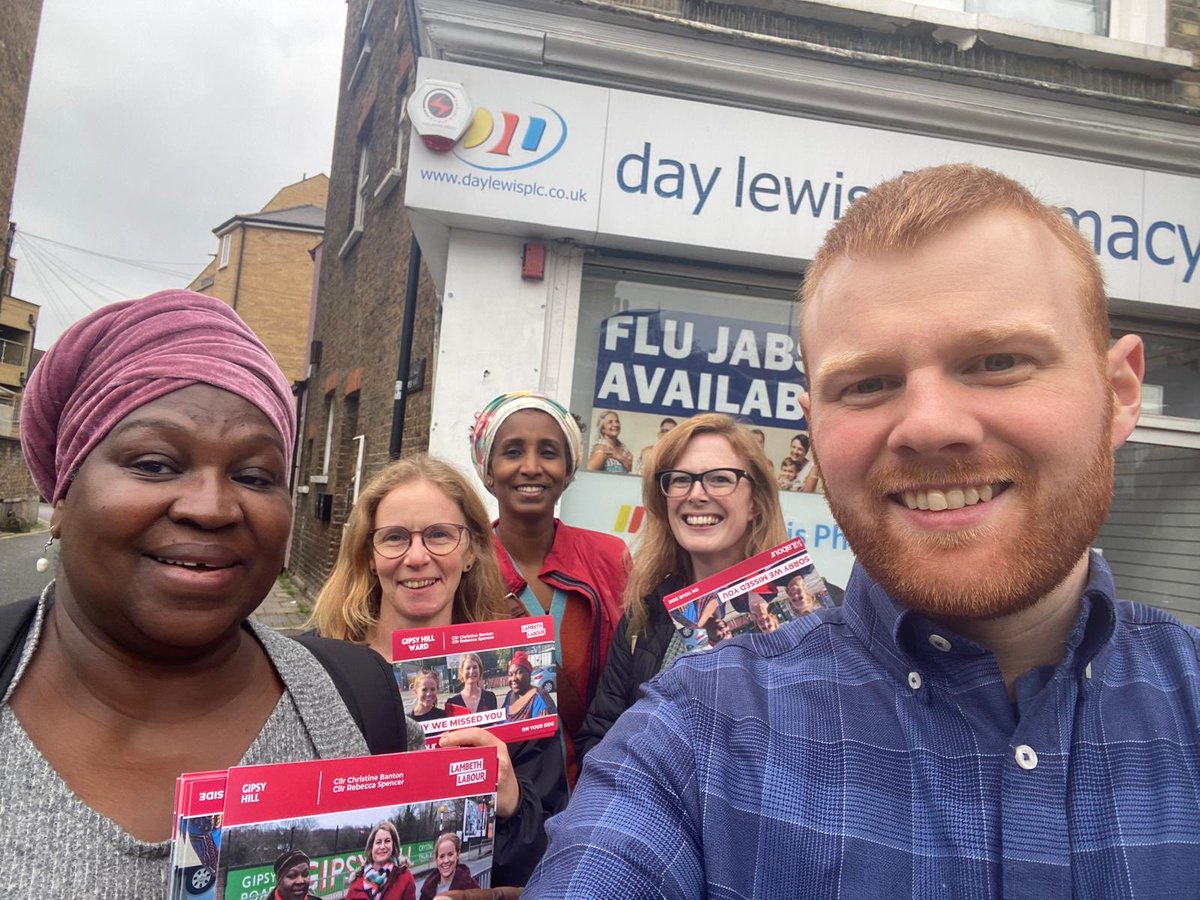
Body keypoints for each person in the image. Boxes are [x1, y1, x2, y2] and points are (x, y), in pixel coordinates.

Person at [524, 164, 1200, 898]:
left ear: (1120, 392)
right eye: (869, 383)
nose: (931, 425)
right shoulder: (692, 738)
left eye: (998, 361)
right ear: (814, 428)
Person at [0, 291, 409, 896]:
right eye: (156, 464)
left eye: (253, 476)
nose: (212, 508)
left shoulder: (359, 702)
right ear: (61, 494)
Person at [310, 454, 566, 887]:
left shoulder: (520, 675)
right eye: (393, 538)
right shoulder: (314, 667)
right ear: (369, 556)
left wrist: (513, 801)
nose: (416, 557)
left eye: (439, 536)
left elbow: (551, 851)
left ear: (470, 552)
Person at [574, 412, 786, 763]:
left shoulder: (813, 616)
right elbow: (598, 740)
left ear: (755, 504)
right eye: (680, 480)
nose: (697, 494)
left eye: (720, 479)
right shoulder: (643, 613)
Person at [469, 391, 630, 784]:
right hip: (502, 798)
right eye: (512, 452)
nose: (531, 467)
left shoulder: (610, 558)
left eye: (548, 452)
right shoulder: (465, 566)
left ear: (569, 470)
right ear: (488, 470)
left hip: (597, 790)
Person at [346, 822, 417, 900]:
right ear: (371, 847)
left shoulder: (405, 878)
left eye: (387, 841)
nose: (382, 846)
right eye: (378, 842)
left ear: (394, 845)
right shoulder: (356, 884)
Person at [419, 832, 481, 898]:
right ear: (437, 860)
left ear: (457, 855)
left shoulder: (470, 888)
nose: (446, 860)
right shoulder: (427, 889)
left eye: (450, 854)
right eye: (442, 856)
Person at [502, 651, 558, 721]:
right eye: (510, 674)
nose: (514, 679)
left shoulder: (540, 697)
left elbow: (548, 727)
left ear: (529, 673)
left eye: (519, 672)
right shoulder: (509, 695)